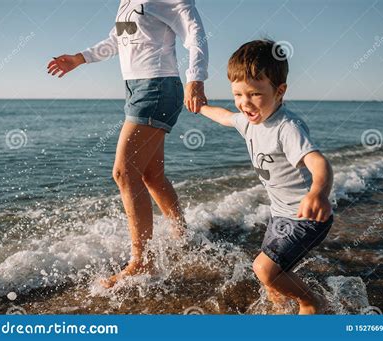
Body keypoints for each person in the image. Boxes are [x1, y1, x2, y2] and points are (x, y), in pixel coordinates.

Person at [47, 0, 209, 288]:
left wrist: (195, 79)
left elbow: (195, 32)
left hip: (157, 86)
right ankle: (182, 236)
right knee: (151, 175)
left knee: (124, 173)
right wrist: (80, 58)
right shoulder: (127, 2)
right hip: (135, 88)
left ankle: (142, 261)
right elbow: (117, 39)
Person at [198, 40, 333, 314]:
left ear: (279, 91)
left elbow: (319, 163)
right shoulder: (248, 121)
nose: (244, 103)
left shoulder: (287, 128)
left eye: (255, 94)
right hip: (279, 215)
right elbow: (225, 116)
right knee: (271, 279)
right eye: (238, 94)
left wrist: (318, 192)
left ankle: (310, 302)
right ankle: (280, 314)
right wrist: (199, 106)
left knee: (264, 268)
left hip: (307, 217)